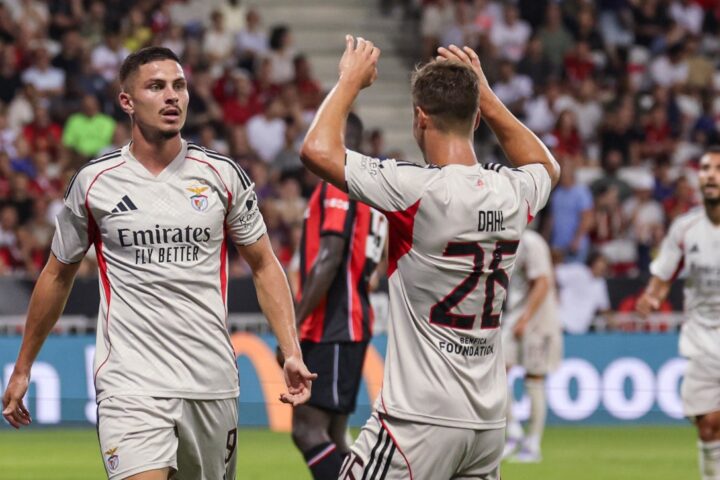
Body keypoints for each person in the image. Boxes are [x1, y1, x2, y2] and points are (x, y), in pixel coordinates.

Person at [2, 47, 315, 480]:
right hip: (130, 381)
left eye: (179, 86)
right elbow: (57, 274)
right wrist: (22, 367)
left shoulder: (222, 175)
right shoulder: (94, 184)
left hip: (210, 381)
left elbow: (264, 265)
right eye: (156, 86)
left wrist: (291, 350)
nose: (172, 96)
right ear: (127, 101)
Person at [300, 36, 560, 479]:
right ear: (476, 117)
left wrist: (349, 81)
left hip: (418, 420)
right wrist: (486, 96)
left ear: (420, 118)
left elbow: (316, 151)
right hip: (486, 424)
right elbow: (547, 167)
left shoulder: (416, 190)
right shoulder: (512, 190)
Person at [288, 112, 388, 479]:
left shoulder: (338, 185)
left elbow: (329, 258)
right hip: (351, 321)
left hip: (333, 324)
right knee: (333, 434)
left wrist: (293, 325)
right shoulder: (370, 187)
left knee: (307, 430)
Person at [637, 148, 720, 480]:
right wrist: (651, 297)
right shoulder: (685, 228)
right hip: (702, 337)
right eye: (705, 168)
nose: (711, 175)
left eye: (718, 169)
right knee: (708, 424)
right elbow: (662, 278)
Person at [501, 229, 562, 463]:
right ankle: (513, 430)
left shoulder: (531, 242)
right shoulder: (505, 239)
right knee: (496, 372)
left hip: (538, 321)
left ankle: (533, 444)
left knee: (534, 378)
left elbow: (543, 282)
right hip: (514, 316)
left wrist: (525, 318)